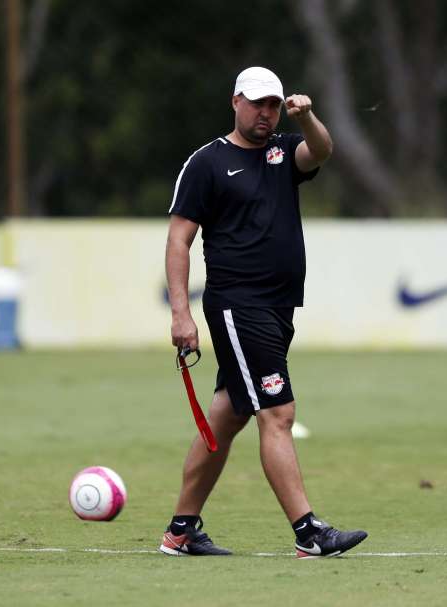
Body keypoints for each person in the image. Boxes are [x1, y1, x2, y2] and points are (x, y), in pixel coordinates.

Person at [160, 66, 368, 559]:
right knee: (278, 412)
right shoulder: (207, 163)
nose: (266, 113)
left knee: (227, 417)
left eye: (273, 104)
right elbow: (178, 239)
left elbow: (321, 151)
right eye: (257, 103)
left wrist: (309, 114)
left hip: (278, 308)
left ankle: (181, 531)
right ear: (235, 102)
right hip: (238, 304)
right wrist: (180, 314)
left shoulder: (283, 152)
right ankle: (308, 532)